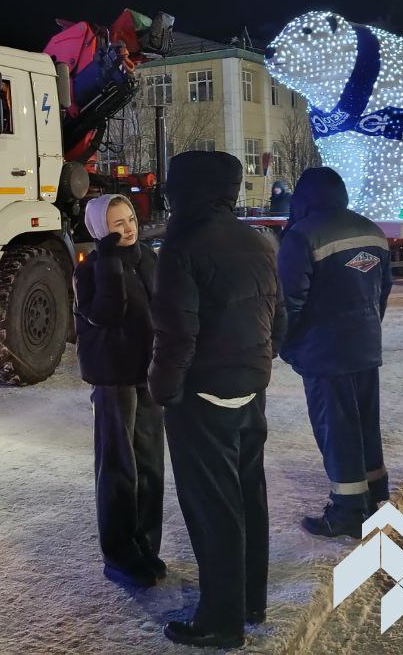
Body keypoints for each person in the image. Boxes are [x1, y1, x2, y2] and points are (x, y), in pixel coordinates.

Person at [149, 151, 286, 649]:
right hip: (252, 388)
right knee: (249, 494)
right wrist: (260, 360)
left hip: (203, 393)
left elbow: (175, 333)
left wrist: (164, 389)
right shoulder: (258, 241)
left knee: (214, 508)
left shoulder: (181, 245)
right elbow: (278, 314)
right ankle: (250, 599)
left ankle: (220, 620)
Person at [276, 167, 392, 539]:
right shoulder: (372, 231)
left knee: (336, 429)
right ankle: (373, 496)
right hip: (365, 345)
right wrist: (368, 329)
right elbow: (383, 291)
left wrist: (284, 343)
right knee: (363, 425)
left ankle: (346, 511)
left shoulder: (302, 236)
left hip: (325, 351)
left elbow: (288, 302)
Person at [73, 194, 165, 588]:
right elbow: (106, 314)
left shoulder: (149, 258)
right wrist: (108, 257)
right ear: (99, 231)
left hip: (148, 375)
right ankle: (119, 555)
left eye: (130, 220)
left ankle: (145, 547)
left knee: (149, 466)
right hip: (113, 378)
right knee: (117, 469)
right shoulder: (91, 269)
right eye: (117, 225)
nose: (128, 229)